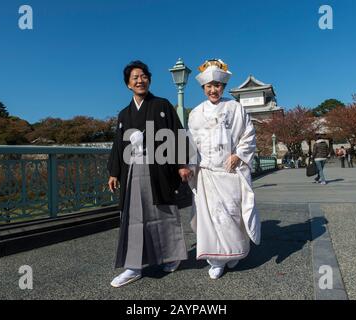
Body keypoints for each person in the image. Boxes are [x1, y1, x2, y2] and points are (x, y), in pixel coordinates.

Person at [107, 61, 192, 287]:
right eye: (134, 77)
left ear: (149, 80)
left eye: (143, 76)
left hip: (160, 167)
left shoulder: (162, 105)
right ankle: (133, 267)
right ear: (128, 85)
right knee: (134, 217)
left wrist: (181, 163)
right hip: (132, 168)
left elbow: (177, 133)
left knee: (163, 211)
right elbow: (118, 145)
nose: (140, 80)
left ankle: (172, 257)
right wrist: (114, 172)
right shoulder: (124, 114)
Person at [187, 59, 261, 280]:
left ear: (224, 87)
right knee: (210, 217)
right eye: (209, 86)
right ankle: (216, 260)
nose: (213, 90)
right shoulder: (196, 113)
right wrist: (190, 166)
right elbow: (191, 143)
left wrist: (239, 154)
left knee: (231, 214)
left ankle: (234, 252)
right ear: (203, 88)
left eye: (217, 85)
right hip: (207, 172)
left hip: (230, 172)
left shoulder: (236, 108)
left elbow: (248, 134)